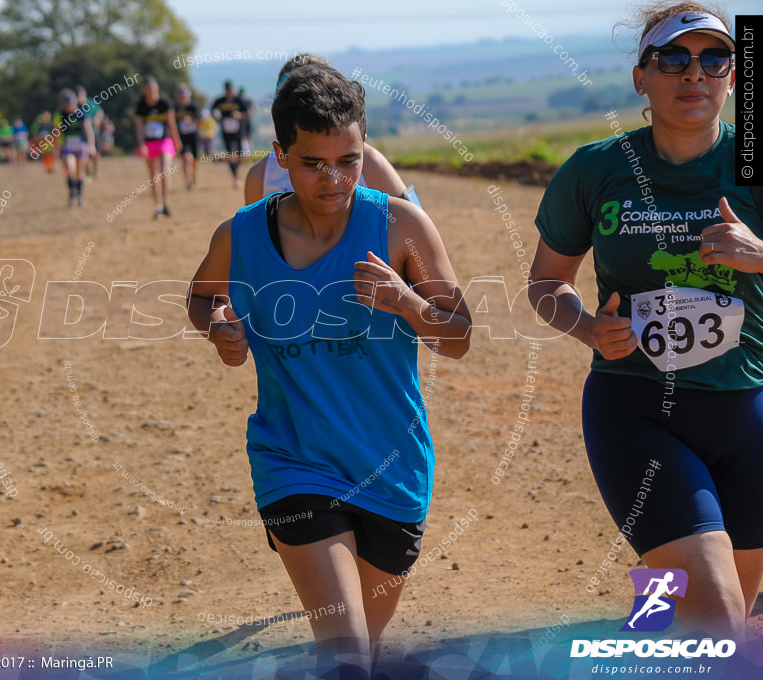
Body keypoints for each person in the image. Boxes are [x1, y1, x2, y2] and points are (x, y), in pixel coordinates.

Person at [187, 63, 471, 679]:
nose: (335, 178)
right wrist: (219, 330)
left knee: (362, 649)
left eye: (349, 160)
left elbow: (459, 336)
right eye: (315, 162)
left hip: (393, 465)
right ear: (281, 158)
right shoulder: (240, 235)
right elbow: (201, 295)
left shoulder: (399, 225)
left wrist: (406, 301)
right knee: (343, 652)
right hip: (293, 460)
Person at [528, 2, 763, 641]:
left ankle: (647, 641)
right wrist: (586, 329)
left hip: (749, 413)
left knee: (721, 621)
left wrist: (758, 256)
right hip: (636, 409)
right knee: (714, 615)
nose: (696, 74)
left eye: (715, 58)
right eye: (674, 59)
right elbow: (545, 285)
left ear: (734, 76)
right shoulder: (597, 167)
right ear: (641, 78)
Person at [245, 54, 424, 210]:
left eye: (346, 161)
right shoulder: (260, 176)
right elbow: (256, 241)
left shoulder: (370, 162)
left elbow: (414, 222)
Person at [135, 76, 181, 219]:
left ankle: (166, 204)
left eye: (153, 89)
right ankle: (158, 206)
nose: (151, 92)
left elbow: (171, 123)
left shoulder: (165, 104)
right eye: (148, 89)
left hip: (164, 142)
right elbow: (139, 127)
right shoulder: (140, 106)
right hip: (149, 143)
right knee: (153, 175)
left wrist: (176, 140)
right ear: (144, 90)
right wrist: (141, 144)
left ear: (157, 89)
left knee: (164, 171)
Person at [57, 88, 96, 207]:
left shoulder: (82, 114)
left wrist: (91, 146)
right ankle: (71, 194)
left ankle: (79, 196)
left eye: (71, 103)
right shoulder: (62, 115)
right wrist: (57, 147)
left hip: (81, 146)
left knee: (80, 173)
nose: (70, 106)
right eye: (67, 104)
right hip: (68, 147)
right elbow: (58, 132)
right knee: (71, 169)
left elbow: (88, 130)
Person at [211, 81, 249, 188]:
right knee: (230, 154)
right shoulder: (220, 101)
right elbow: (213, 110)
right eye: (227, 90)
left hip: (238, 131)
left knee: (238, 154)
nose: (229, 92)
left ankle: (237, 174)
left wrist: (239, 115)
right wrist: (217, 118)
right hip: (226, 131)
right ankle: (235, 177)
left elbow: (247, 113)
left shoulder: (239, 100)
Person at [175, 85, 201, 190]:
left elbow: (200, 121)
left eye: (185, 97)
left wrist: (191, 120)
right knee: (186, 158)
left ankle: (193, 175)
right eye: (181, 96)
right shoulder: (175, 108)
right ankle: (188, 180)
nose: (183, 99)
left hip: (193, 136)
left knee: (194, 160)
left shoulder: (193, 107)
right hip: (182, 137)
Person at [77, 86, 103, 179]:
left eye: (82, 95)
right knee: (86, 153)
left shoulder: (91, 102)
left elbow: (100, 111)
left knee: (96, 153)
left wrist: (97, 119)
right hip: (82, 133)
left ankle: (96, 169)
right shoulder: (75, 107)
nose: (81, 98)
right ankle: (88, 171)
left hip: (94, 131)